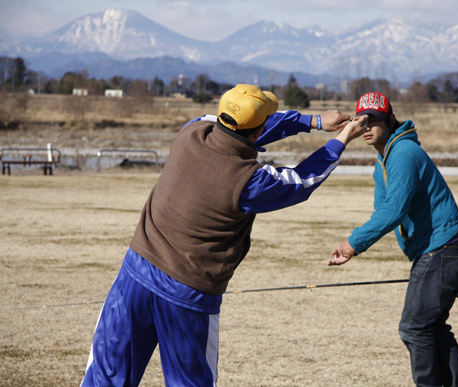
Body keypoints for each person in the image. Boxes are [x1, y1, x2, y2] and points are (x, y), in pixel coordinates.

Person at [81, 84, 367, 386]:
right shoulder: (247, 181)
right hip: (188, 292)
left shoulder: (191, 131)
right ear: (257, 132)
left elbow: (239, 132)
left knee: (106, 376)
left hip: (134, 273)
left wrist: (313, 122)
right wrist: (341, 138)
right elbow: (300, 180)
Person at [329, 92, 458, 387]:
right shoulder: (383, 161)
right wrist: (356, 247)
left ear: (390, 120)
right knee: (431, 329)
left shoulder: (404, 154)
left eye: (375, 120)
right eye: (362, 120)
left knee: (415, 329)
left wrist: (353, 243)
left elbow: (394, 212)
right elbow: (384, 210)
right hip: (441, 251)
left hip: (443, 250)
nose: (367, 126)